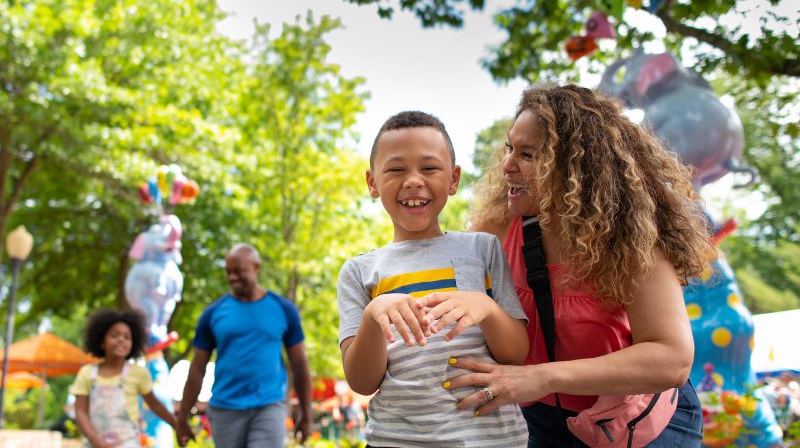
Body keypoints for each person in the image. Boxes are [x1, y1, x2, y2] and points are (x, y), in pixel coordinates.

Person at [448, 84, 714, 446]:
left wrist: (543, 377)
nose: (508, 164)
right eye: (510, 148)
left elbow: (672, 359)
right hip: (543, 421)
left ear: (576, 166)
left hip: (636, 420)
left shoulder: (630, 240)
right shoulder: (497, 229)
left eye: (529, 155)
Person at [337, 110, 530, 447]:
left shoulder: (483, 249)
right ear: (372, 182)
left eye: (429, 168)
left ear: (453, 180)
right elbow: (362, 382)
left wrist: (484, 307)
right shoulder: (359, 271)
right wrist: (373, 315)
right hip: (396, 439)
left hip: (491, 439)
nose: (413, 180)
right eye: (397, 169)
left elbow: (515, 354)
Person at [176, 243, 312, 448]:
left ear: (256, 267)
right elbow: (197, 367)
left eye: (238, 271)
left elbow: (300, 363)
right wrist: (182, 417)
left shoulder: (283, 309)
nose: (232, 277)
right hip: (225, 409)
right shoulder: (213, 313)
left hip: (269, 405)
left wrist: (306, 415)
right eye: (228, 272)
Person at [71, 308, 177, 448]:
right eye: (114, 335)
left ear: (133, 344)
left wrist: (177, 425)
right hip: (94, 442)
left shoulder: (138, 373)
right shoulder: (87, 373)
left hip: (128, 443)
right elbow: (80, 412)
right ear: (102, 342)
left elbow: (155, 405)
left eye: (127, 337)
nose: (121, 339)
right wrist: (95, 440)